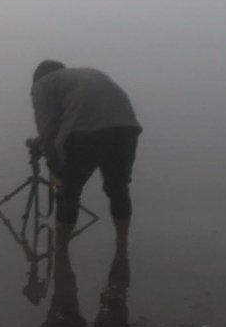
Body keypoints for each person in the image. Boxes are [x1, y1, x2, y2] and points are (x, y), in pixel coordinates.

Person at [29, 61, 142, 252]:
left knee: (68, 194)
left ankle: (60, 253)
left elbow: (47, 130)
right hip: (126, 127)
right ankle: (122, 246)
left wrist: (54, 167)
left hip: (85, 132)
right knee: (118, 189)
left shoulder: (42, 84)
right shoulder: (83, 76)